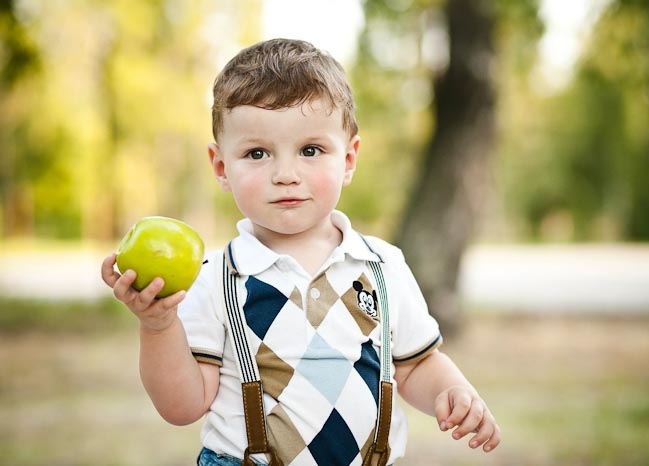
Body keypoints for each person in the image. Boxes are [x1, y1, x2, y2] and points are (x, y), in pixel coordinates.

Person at [101, 38, 500, 466]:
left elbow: (417, 366)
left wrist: (451, 391)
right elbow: (181, 406)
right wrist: (158, 326)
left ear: (348, 159)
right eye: (257, 153)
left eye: (311, 150)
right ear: (221, 167)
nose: (286, 175)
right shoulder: (216, 277)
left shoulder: (382, 266)